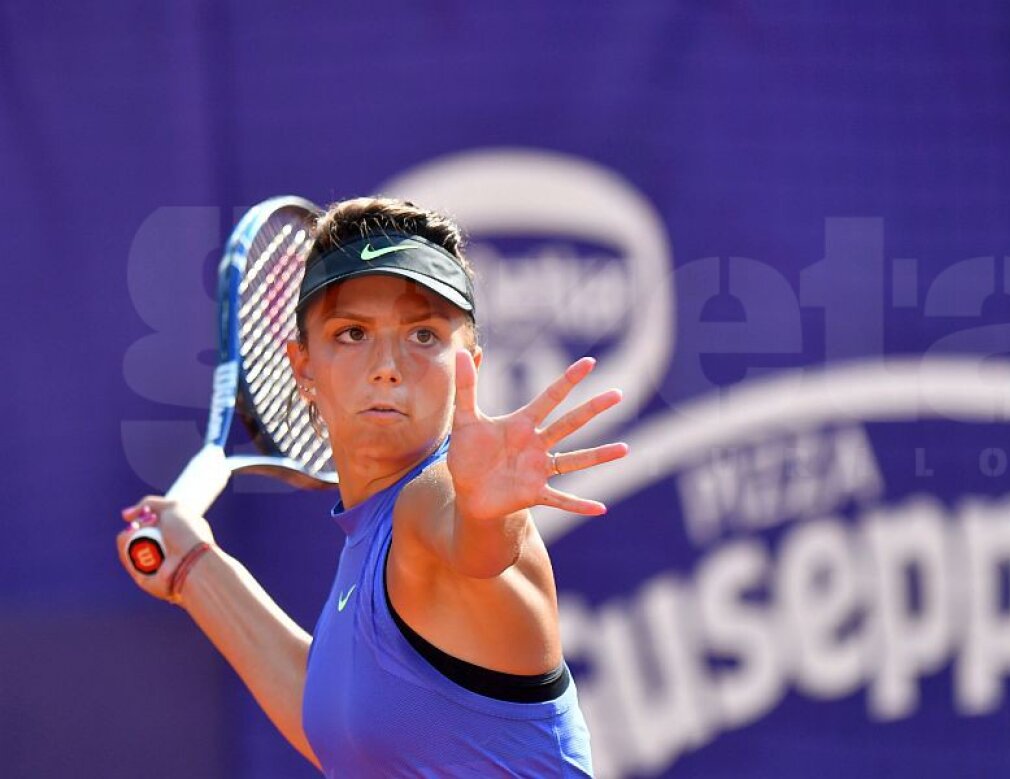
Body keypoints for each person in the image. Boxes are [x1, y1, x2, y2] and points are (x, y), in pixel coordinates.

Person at [116, 197, 628, 776]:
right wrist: (195, 570)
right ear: (302, 366)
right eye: (353, 332)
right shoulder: (372, 533)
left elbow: (470, 542)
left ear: (471, 366)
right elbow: (340, 730)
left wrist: (488, 515)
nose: (387, 364)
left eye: (424, 336)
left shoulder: (428, 504)